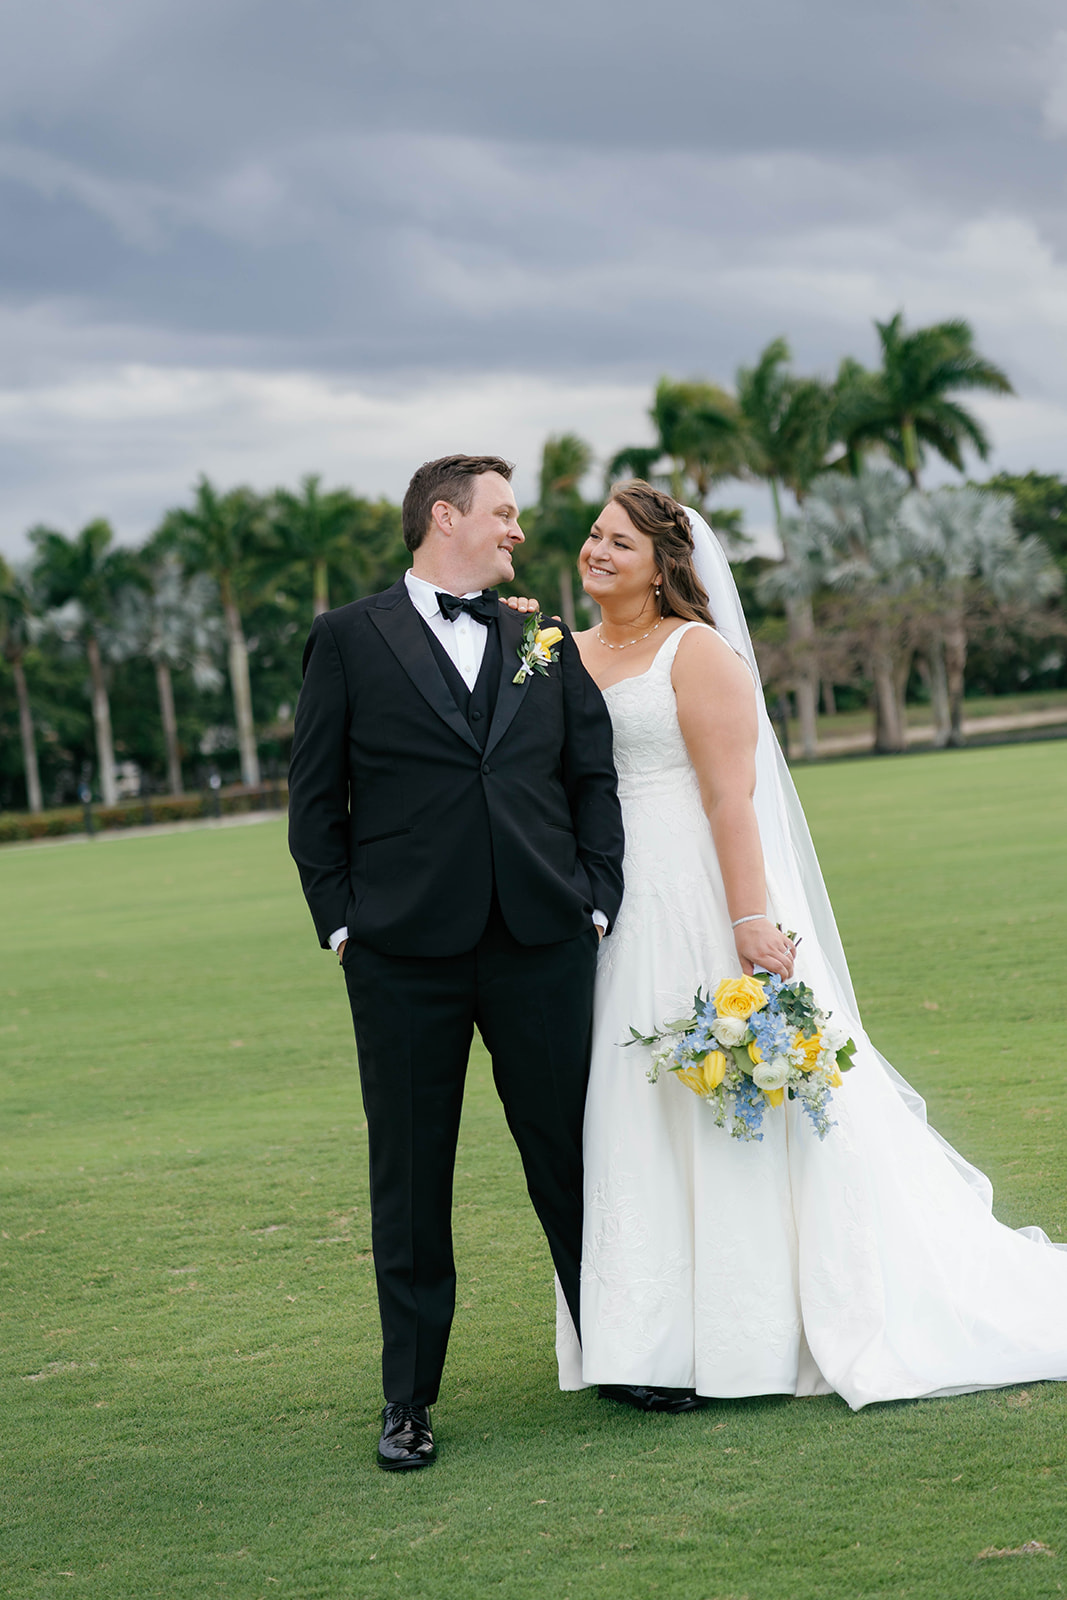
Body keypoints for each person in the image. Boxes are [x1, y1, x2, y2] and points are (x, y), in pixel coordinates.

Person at [509, 478, 1067, 1412]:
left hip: (692, 894)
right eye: (594, 537)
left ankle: (748, 1331)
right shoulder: (561, 653)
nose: (597, 553)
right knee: (627, 1106)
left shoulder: (699, 655)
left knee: (719, 1103)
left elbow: (732, 799)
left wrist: (747, 923)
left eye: (620, 545)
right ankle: (646, 1336)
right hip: (602, 908)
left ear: (662, 568)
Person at [287, 454, 625, 1469]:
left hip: (540, 941)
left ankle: (617, 1351)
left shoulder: (540, 635)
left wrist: (595, 902)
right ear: (446, 518)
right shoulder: (348, 638)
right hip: (402, 957)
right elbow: (314, 800)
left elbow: (589, 775)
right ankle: (407, 1402)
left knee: (572, 1157)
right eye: (503, 513)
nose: (518, 531)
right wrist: (343, 927)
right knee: (409, 1176)